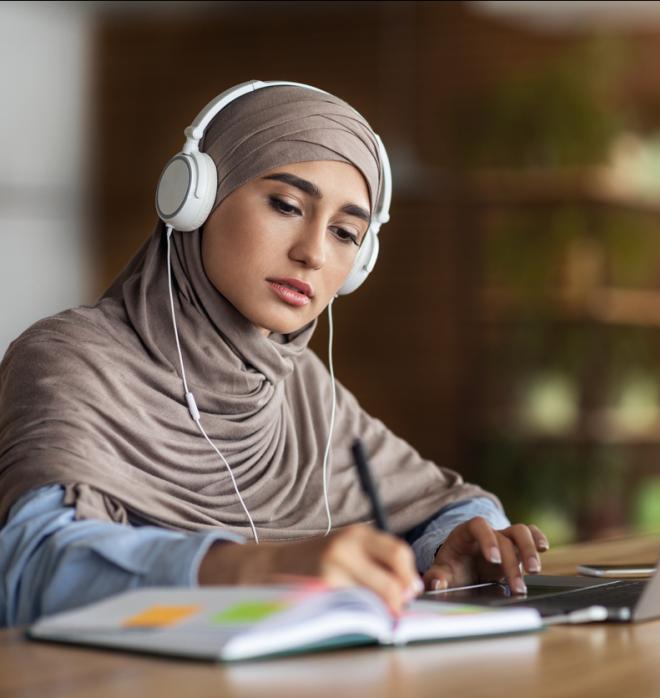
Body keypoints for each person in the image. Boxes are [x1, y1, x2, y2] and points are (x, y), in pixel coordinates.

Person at [0, 81, 548, 627]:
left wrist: (450, 544)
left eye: (345, 233)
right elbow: (31, 571)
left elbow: (448, 500)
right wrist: (256, 565)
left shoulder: (304, 388)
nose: (313, 253)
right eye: (286, 205)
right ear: (195, 198)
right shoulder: (71, 360)